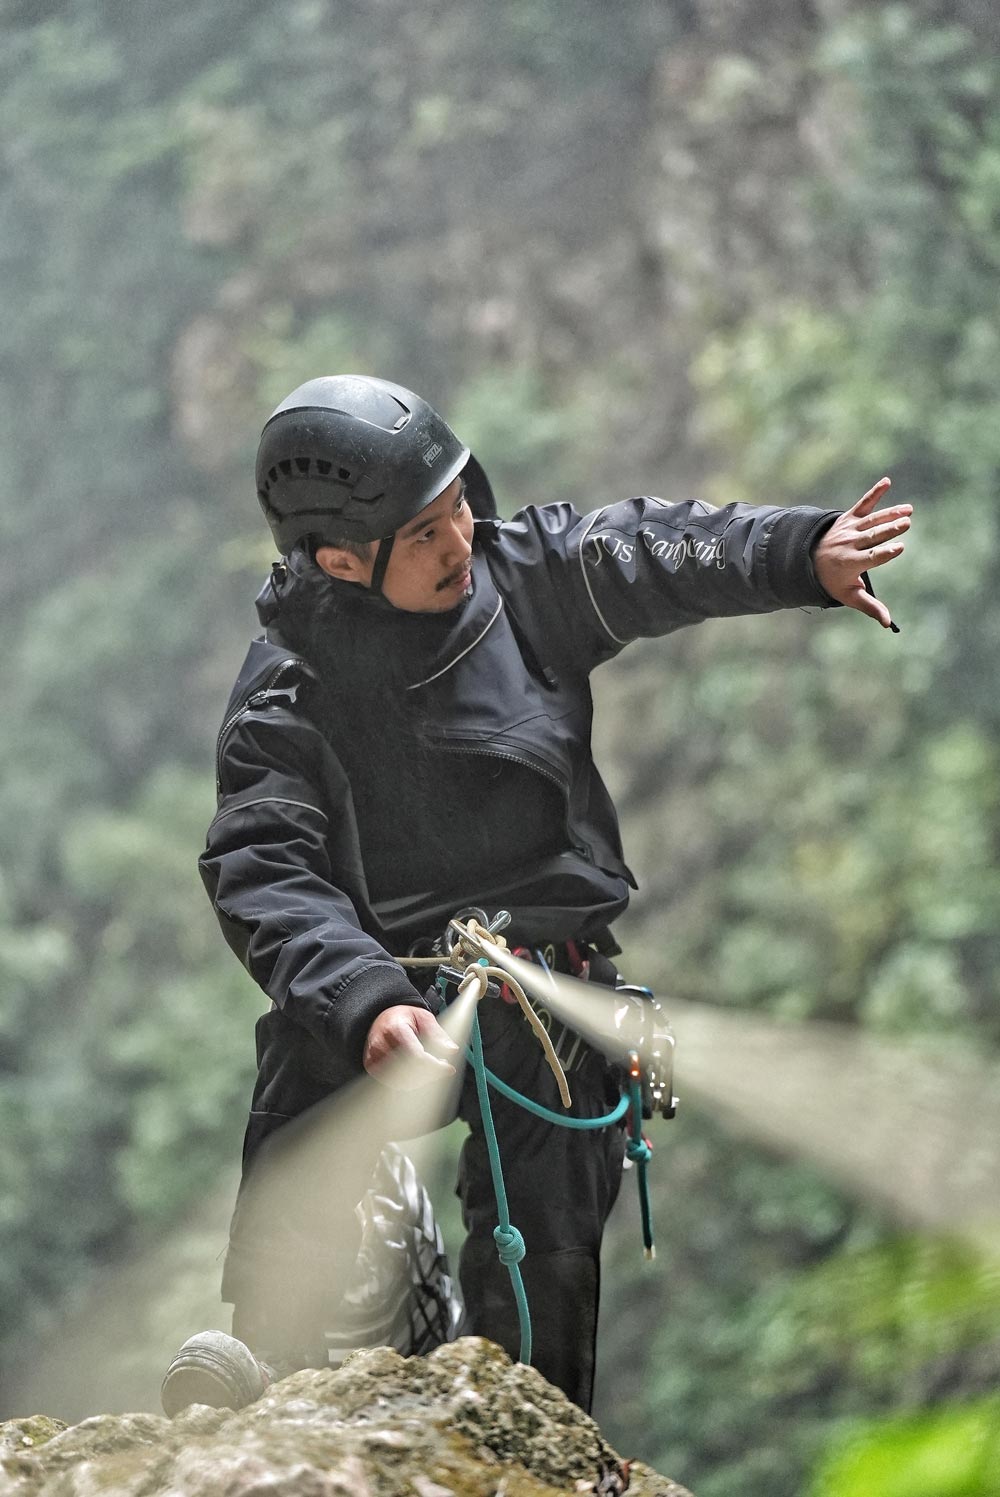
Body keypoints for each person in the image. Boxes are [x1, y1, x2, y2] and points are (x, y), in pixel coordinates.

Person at [160, 374, 910, 1417]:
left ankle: (527, 1425)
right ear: (340, 560)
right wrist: (366, 999)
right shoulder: (290, 694)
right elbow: (264, 869)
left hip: (545, 982)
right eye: (423, 533)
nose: (460, 539)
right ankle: (282, 1367)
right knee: (303, 1122)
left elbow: (654, 550)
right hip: (384, 986)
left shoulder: (529, 578)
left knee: (545, 1249)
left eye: (460, 502)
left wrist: (802, 554)